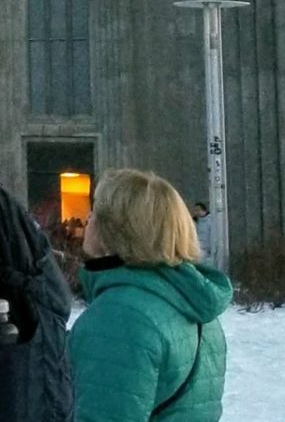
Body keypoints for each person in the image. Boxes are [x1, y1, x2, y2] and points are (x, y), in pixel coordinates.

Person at [70, 170, 230, 421]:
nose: (88, 219)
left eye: (97, 213)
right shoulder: (192, 301)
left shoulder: (119, 316)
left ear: (119, 231)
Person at [189, 201, 226, 271]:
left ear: (203, 210)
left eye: (197, 210)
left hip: (206, 250)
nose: (195, 212)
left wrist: (212, 250)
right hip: (197, 247)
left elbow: (213, 236)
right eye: (194, 210)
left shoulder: (210, 221)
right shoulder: (195, 221)